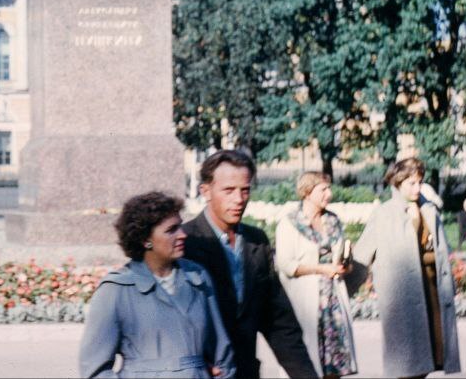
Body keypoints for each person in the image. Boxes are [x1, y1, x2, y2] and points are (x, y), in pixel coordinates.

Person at [182, 150, 317, 379]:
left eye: (245, 190)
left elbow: (278, 321)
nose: (239, 199)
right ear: (205, 191)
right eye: (228, 190)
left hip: (245, 371)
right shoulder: (186, 242)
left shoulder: (257, 241)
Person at [79, 191, 235, 378]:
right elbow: (94, 369)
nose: (183, 235)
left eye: (180, 226)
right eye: (171, 230)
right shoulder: (116, 290)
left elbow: (222, 355)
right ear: (146, 240)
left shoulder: (198, 278)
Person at [352, 157, 461, 377]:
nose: (417, 188)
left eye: (420, 182)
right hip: (403, 297)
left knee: (430, 353)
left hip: (431, 290)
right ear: (398, 183)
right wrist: (346, 286)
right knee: (405, 362)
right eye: (411, 183)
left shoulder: (429, 210)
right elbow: (363, 254)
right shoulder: (384, 214)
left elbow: (441, 250)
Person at [276, 172, 358, 379]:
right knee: (306, 363)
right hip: (306, 301)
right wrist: (322, 269)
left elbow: (339, 255)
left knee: (334, 364)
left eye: (329, 189)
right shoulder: (290, 223)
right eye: (323, 189)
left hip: (332, 302)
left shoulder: (332, 221)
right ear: (307, 192)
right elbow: (286, 264)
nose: (328, 194)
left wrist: (345, 265)